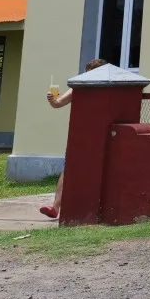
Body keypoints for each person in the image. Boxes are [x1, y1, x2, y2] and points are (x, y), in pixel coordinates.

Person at [38, 58, 109, 219]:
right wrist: (52, 100)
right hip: (81, 135)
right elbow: (58, 103)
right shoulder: (78, 88)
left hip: (105, 134)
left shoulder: (109, 86)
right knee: (68, 168)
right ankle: (55, 207)